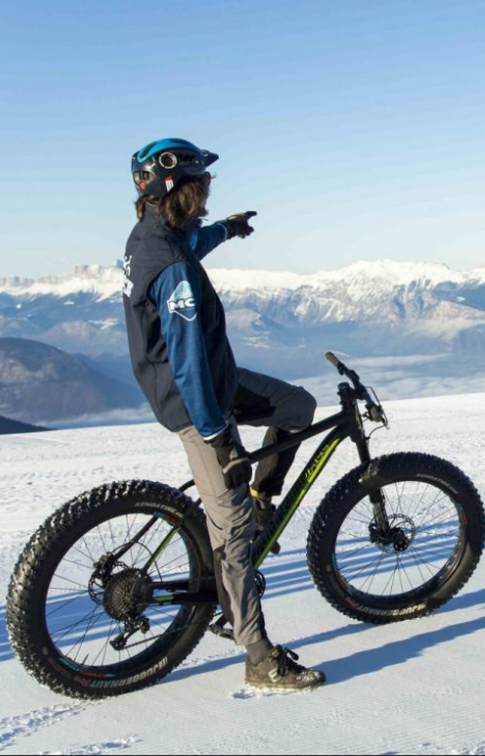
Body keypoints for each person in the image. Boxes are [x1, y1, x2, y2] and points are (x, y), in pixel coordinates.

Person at [121, 138, 326, 690]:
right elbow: (187, 361)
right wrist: (221, 440)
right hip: (194, 401)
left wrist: (228, 230)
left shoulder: (154, 235)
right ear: (179, 188)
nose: (209, 191)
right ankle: (257, 656)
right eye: (203, 183)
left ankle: (261, 497)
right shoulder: (172, 269)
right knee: (233, 531)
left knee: (297, 407)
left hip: (215, 379)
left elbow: (193, 240)